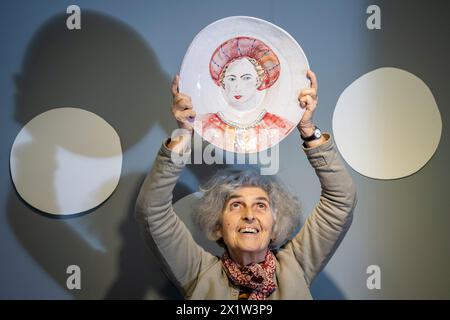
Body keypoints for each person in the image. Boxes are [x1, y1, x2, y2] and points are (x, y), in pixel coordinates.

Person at [135, 70, 357, 299]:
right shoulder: (198, 272)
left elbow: (342, 199)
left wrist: (309, 131)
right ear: (218, 225)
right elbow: (151, 211)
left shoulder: (296, 266)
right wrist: (183, 134)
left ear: (275, 226)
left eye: (261, 205)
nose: (249, 215)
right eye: (235, 205)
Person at [196, 36, 295, 153]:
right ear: (222, 81)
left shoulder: (279, 125)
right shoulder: (204, 124)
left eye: (246, 78)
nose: (238, 87)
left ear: (258, 80)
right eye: (232, 79)